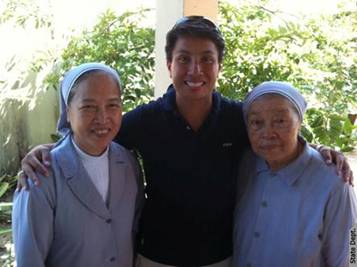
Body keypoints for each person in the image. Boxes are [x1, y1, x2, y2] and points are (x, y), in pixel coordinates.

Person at [18, 17, 353, 267]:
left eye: (207, 58)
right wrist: (47, 150)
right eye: (183, 59)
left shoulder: (237, 120)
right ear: (169, 65)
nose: (196, 69)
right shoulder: (146, 120)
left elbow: (274, 132)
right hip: (155, 258)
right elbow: (93, 136)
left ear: (220, 66)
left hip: (221, 258)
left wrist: (318, 151)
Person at [12, 63, 144, 267]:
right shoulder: (42, 174)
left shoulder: (128, 164)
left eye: (112, 105)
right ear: (68, 111)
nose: (102, 118)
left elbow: (134, 233)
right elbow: (30, 259)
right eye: (88, 107)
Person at [233, 81, 357, 267]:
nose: (268, 133)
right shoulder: (243, 164)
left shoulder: (335, 180)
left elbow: (352, 251)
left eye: (280, 121)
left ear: (299, 122)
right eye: (257, 123)